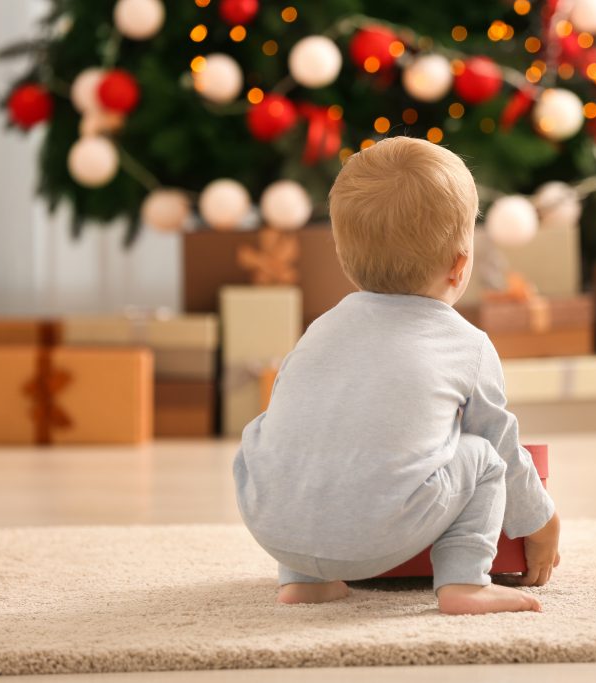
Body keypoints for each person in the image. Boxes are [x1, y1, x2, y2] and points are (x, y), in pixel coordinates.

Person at [234, 136, 560, 615]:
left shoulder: (319, 330)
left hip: (273, 528)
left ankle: (304, 579)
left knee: (283, 433)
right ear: (460, 264)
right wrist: (542, 521)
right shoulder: (466, 344)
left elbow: (300, 422)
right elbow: (502, 447)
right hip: (378, 538)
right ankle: (465, 581)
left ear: (344, 256)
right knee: (483, 456)